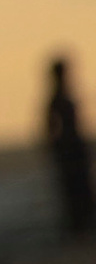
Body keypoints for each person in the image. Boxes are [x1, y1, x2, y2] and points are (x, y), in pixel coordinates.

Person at [44, 55, 95, 241]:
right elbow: (49, 127)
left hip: (74, 148)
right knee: (74, 189)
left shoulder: (63, 95)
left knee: (79, 188)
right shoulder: (56, 98)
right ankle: (78, 229)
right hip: (69, 150)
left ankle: (82, 226)